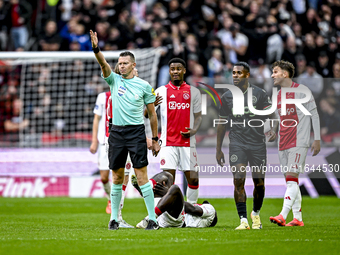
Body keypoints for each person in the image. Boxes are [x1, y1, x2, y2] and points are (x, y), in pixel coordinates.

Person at [90, 30, 161, 230]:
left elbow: (152, 114)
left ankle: (152, 219)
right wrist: (96, 49)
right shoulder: (113, 80)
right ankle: (114, 219)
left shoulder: (145, 86)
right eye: (119, 63)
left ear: (133, 65)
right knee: (117, 177)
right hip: (116, 133)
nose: (120, 66)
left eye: (124, 63)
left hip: (136, 132)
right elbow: (103, 63)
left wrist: (155, 139)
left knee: (141, 176)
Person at [216, 62, 278, 230]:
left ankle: (255, 214)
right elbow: (222, 123)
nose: (235, 75)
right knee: (238, 180)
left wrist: (273, 129)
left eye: (239, 73)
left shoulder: (259, 93)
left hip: (257, 144)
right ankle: (243, 220)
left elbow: (273, 114)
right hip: (237, 143)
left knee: (259, 184)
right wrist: (218, 149)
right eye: (233, 73)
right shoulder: (227, 96)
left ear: (247, 75)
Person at [269, 60, 321, 227]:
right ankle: (297, 218)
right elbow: (278, 116)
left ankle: (283, 215)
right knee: (291, 181)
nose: (272, 75)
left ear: (285, 74)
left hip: (299, 140)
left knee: (291, 179)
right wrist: (273, 129)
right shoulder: (278, 95)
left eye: (275, 71)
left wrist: (317, 139)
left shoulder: (302, 91)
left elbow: (314, 115)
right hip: (282, 141)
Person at [146, 58, 202, 205]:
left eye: (178, 69)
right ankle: (169, 214)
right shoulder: (161, 91)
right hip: (168, 143)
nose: (175, 71)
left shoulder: (194, 92)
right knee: (167, 181)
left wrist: (194, 130)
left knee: (193, 178)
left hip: (187, 143)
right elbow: (146, 114)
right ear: (169, 71)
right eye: (172, 69)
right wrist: (151, 105)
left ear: (184, 70)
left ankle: (191, 211)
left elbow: (198, 116)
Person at [132, 172, 218, 228]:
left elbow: (192, 209)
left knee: (175, 189)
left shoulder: (211, 210)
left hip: (176, 220)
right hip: (163, 211)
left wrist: (166, 193)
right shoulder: (204, 220)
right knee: (168, 176)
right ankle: (145, 189)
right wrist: (167, 194)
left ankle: (149, 219)